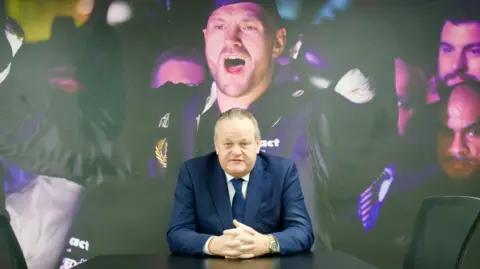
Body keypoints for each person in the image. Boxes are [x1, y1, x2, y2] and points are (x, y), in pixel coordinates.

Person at [167, 108, 314, 257]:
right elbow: (177, 233)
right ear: (217, 146)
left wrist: (267, 243)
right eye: (228, 144)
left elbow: (302, 231)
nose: (236, 152)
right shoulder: (193, 172)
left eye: (244, 144)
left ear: (257, 145)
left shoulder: (282, 172)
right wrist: (213, 244)